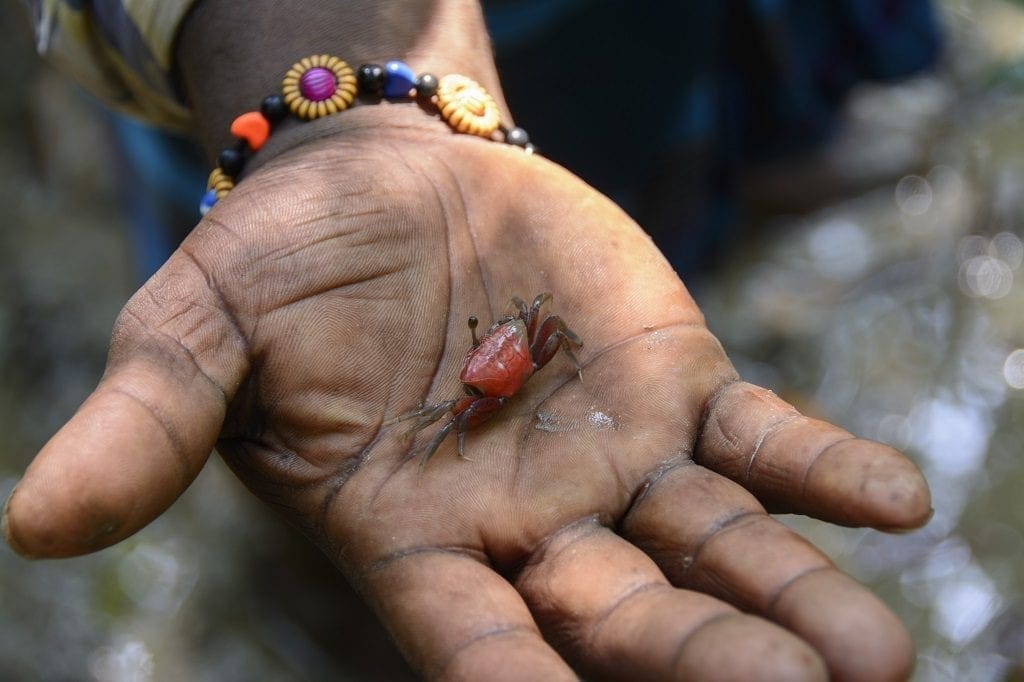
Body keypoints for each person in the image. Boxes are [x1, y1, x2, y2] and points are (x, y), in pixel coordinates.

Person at [5, 1, 933, 679]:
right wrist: (338, 115)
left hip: (634, 51)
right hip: (256, 68)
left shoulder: (538, 335)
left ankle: (749, 170)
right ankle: (328, 581)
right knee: (307, 414)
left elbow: (553, 331)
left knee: (650, 211)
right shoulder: (476, 377)